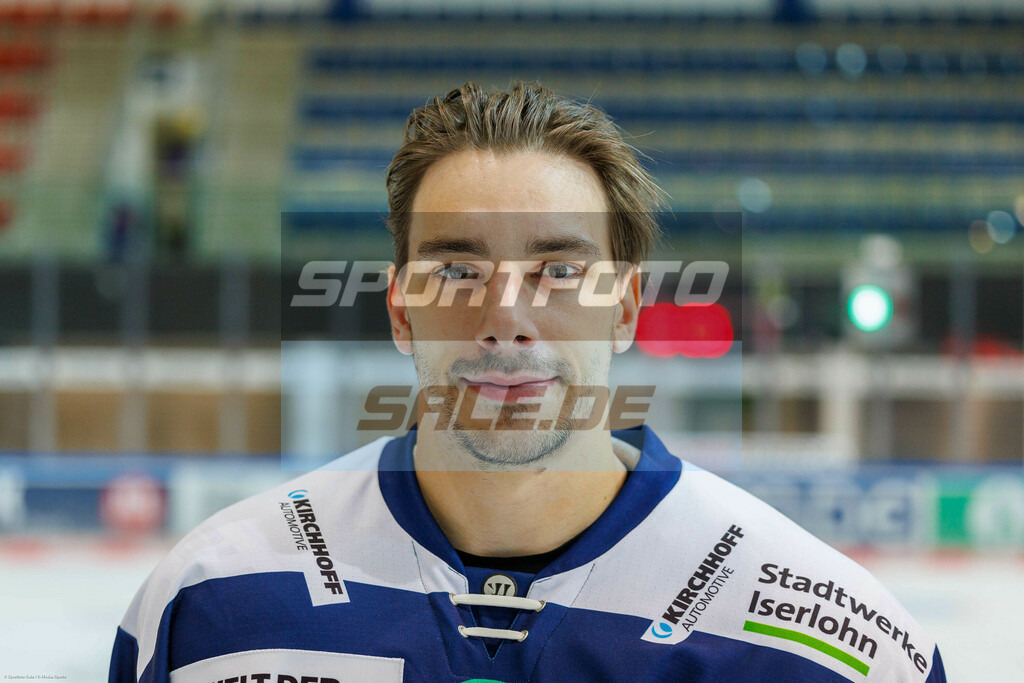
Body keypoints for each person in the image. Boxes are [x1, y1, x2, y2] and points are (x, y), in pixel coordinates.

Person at [109, 81, 945, 682]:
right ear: (400, 311)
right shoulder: (213, 599)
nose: (506, 315)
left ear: (625, 309)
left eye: (556, 269)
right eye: (458, 267)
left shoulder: (827, 645)